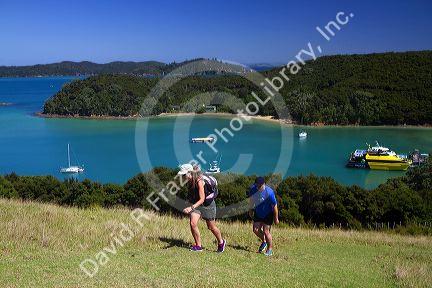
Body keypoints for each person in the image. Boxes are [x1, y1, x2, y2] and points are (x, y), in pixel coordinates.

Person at [178, 163, 226, 252]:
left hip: (207, 204)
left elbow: (202, 199)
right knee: (193, 223)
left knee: (211, 227)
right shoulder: (189, 181)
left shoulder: (199, 181)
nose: (183, 177)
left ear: (190, 173)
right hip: (196, 204)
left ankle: (221, 242)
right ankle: (198, 246)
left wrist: (191, 207)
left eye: (184, 175)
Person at [248, 176, 279, 256]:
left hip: (268, 214)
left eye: (259, 185)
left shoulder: (269, 193)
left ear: (263, 184)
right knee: (255, 230)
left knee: (266, 232)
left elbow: (275, 207)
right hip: (258, 212)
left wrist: (276, 218)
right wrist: (250, 211)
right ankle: (264, 241)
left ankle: (270, 250)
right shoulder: (253, 189)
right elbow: (251, 201)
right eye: (256, 185)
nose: (257, 187)